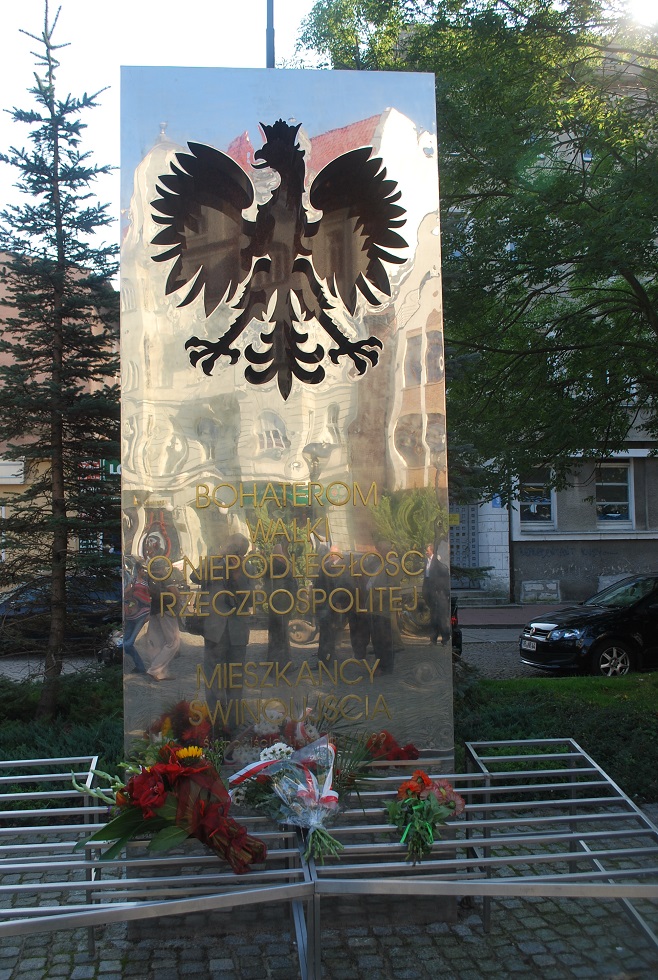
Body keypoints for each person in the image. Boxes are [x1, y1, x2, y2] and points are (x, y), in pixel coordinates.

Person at [122, 558, 150, 673]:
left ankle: (140, 667)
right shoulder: (133, 581)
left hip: (142, 614)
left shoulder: (147, 582)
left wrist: (149, 613)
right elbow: (126, 594)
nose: (145, 572)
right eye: (143, 569)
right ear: (138, 570)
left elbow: (150, 599)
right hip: (131, 613)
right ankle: (140, 667)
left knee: (128, 643)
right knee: (125, 644)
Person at [422, 543, 451, 645]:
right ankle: (433, 639)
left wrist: (443, 591)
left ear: (432, 551)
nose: (426, 552)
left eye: (427, 550)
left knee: (442, 617)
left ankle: (445, 638)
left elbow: (444, 574)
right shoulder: (427, 562)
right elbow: (426, 578)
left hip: (440, 593)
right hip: (431, 592)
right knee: (433, 616)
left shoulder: (438, 562)